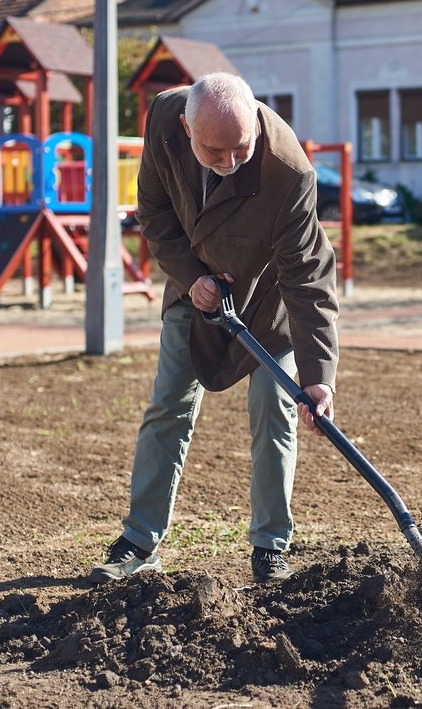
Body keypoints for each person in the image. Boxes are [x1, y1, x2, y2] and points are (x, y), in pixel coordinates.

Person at [88, 72, 339, 585]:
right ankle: (139, 542)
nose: (230, 162)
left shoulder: (289, 173)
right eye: (215, 152)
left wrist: (319, 378)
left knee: (274, 409)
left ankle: (270, 548)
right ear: (187, 128)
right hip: (196, 289)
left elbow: (307, 278)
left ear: (255, 125)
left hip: (268, 302)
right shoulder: (164, 120)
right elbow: (154, 213)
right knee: (169, 404)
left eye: (241, 149)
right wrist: (192, 277)